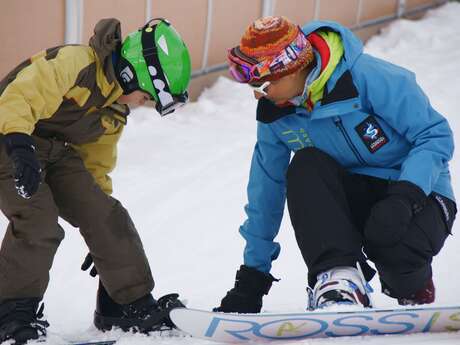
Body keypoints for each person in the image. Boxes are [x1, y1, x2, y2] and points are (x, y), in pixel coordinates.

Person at [214, 16, 456, 313]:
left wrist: (406, 196)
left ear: (292, 68)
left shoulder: (369, 77)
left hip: (419, 190)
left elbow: (434, 135)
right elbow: (266, 190)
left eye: (262, 83)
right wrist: (253, 275)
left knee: (397, 256)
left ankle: (412, 284)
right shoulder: (275, 115)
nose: (257, 93)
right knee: (305, 166)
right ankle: (340, 279)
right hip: (350, 195)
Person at [0, 17, 191, 344]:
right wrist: (19, 144)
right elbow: (21, 93)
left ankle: (127, 305)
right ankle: (12, 313)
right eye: (147, 96)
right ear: (136, 75)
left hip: (55, 153)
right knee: (38, 220)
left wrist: (99, 234)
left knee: (106, 215)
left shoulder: (114, 110)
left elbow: (95, 167)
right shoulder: (77, 64)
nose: (143, 103)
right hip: (10, 139)